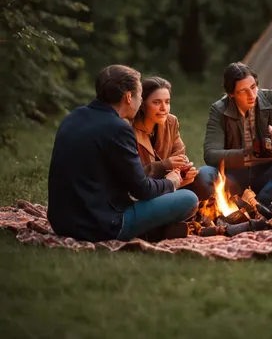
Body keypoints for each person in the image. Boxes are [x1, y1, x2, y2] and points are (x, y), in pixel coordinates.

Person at [48, 65, 198, 242]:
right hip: (101, 225)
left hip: (61, 223)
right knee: (188, 198)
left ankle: (156, 229)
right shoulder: (118, 128)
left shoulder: (72, 117)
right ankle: (153, 230)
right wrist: (171, 182)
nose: (141, 100)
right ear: (128, 97)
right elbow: (142, 189)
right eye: (140, 95)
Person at [203, 62, 272, 207]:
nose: (252, 95)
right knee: (204, 174)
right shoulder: (219, 109)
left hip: (267, 173)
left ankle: (261, 204)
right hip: (235, 176)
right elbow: (210, 155)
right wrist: (246, 154)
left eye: (253, 87)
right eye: (243, 91)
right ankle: (235, 203)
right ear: (231, 95)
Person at [132, 76, 215, 201]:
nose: (164, 108)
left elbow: (179, 156)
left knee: (205, 179)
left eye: (167, 102)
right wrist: (164, 165)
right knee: (189, 199)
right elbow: (134, 178)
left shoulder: (171, 121)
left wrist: (184, 172)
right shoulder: (129, 130)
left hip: (170, 184)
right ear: (142, 105)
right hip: (143, 194)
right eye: (157, 102)